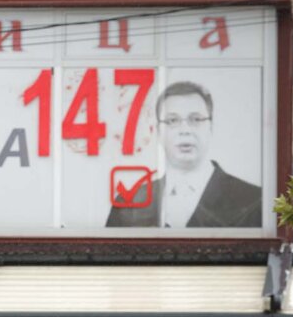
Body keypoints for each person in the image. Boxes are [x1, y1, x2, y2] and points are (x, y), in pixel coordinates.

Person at [107, 80, 261, 228]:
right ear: (158, 131)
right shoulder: (128, 204)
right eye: (172, 121)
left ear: (211, 127)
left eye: (196, 119)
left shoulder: (253, 200)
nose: (185, 130)